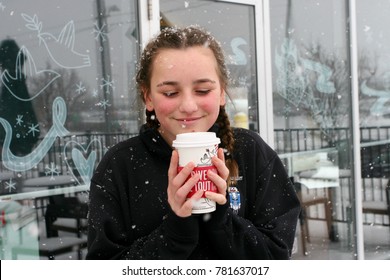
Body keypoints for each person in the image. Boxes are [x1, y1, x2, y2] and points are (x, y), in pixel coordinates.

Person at [86, 26, 301, 259]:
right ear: (148, 96)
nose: (188, 105)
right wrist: (175, 231)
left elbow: (275, 258)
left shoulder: (251, 152)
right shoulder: (120, 166)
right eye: (170, 93)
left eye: (202, 90)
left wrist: (220, 219)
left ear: (221, 92)